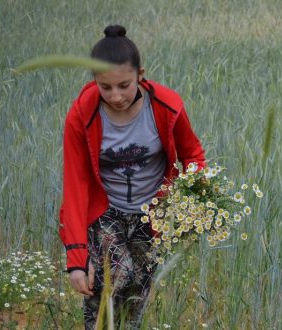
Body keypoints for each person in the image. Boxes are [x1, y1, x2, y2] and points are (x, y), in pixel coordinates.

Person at [59, 24, 206, 329]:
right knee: (117, 274)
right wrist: (76, 258)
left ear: (141, 73)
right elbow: (75, 185)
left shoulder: (166, 106)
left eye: (124, 85)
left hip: (151, 212)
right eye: (105, 87)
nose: (115, 96)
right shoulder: (81, 116)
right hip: (105, 211)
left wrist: (191, 202)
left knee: (137, 294)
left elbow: (192, 155)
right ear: (94, 82)